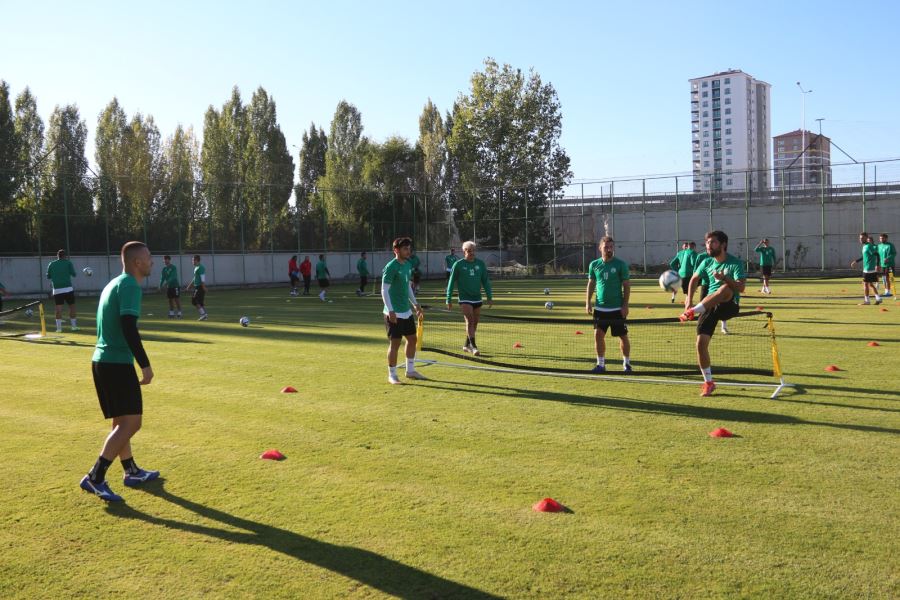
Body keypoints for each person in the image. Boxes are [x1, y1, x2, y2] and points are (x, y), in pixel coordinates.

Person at [79, 241, 158, 502]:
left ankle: (131, 470)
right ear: (137, 262)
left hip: (103, 361)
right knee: (132, 423)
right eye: (148, 257)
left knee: (121, 421)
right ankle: (95, 476)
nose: (152, 261)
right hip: (116, 363)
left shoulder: (114, 283)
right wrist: (145, 365)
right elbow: (128, 327)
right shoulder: (130, 286)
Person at [679, 230, 747, 397]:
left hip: (729, 304)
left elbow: (741, 287)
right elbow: (694, 279)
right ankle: (708, 382)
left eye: (713, 242)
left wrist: (725, 278)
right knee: (700, 344)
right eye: (707, 242)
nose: (709, 245)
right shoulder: (706, 262)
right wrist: (688, 299)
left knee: (725, 288)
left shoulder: (734, 263)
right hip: (709, 306)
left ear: (723, 245)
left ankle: (693, 311)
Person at [382, 237, 426, 384]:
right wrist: (391, 310)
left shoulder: (408, 264)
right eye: (405, 249)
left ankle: (410, 371)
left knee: (412, 339)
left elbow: (407, 286)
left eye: (409, 248)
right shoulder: (391, 267)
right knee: (395, 343)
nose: (408, 251)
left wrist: (415, 304)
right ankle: (392, 375)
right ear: (396, 250)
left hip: (406, 312)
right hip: (393, 312)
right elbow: (384, 290)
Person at [585, 236, 632, 374]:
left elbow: (626, 285)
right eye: (606, 247)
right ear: (600, 248)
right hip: (600, 308)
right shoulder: (594, 265)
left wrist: (625, 305)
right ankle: (600, 364)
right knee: (598, 335)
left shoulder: (621, 264)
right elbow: (591, 284)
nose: (609, 249)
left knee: (623, 336)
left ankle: (627, 364)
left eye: (611, 247)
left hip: (617, 308)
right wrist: (588, 302)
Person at [446, 240, 493, 356]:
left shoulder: (480, 264)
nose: (471, 253)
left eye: (473, 250)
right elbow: (451, 282)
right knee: (470, 321)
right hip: (464, 298)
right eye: (469, 251)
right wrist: (448, 299)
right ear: (464, 251)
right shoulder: (458, 265)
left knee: (475, 323)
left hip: (477, 298)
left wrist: (489, 296)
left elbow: (485, 281)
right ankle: (474, 347)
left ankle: (466, 345)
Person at [46, 249, 78, 332]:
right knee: (72, 307)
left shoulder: (51, 264)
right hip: (68, 288)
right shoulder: (68, 263)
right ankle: (74, 327)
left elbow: (48, 276)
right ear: (65, 256)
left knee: (58, 309)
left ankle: (59, 329)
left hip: (57, 290)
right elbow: (74, 274)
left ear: (57, 256)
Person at [850, 232, 882, 305]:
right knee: (870, 284)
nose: (860, 239)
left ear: (866, 238)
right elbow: (864, 256)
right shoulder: (865, 246)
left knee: (865, 284)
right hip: (868, 268)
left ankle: (867, 301)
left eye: (862, 238)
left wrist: (877, 265)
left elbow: (877, 254)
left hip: (868, 269)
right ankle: (878, 298)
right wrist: (856, 261)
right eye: (860, 238)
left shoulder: (869, 246)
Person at [185, 255, 209, 320]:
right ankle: (205, 315)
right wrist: (189, 286)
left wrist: (203, 287)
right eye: (192, 260)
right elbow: (195, 278)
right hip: (197, 286)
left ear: (197, 260)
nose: (192, 261)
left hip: (199, 287)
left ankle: (203, 314)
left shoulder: (200, 267)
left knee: (194, 300)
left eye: (193, 260)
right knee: (200, 302)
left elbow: (202, 278)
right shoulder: (196, 268)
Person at [877, 233, 896, 297]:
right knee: (884, 278)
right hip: (882, 265)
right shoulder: (879, 246)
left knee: (889, 278)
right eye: (880, 238)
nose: (881, 239)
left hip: (889, 265)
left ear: (886, 238)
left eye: (882, 238)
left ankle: (889, 291)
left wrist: (888, 258)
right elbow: (878, 255)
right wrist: (878, 264)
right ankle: (886, 291)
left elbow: (894, 253)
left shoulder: (890, 245)